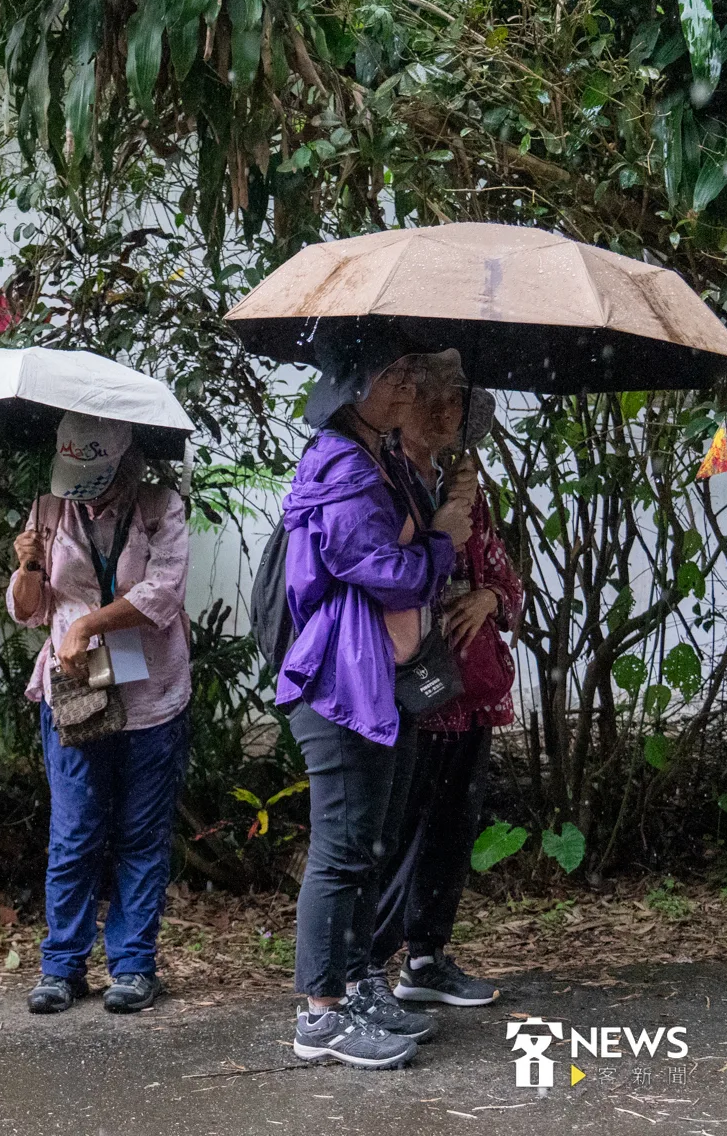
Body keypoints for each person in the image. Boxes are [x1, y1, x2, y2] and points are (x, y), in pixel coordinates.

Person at [277, 343, 472, 1070]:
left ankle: (358, 984)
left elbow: (397, 549)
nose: (406, 385)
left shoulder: (376, 458)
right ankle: (321, 1014)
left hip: (375, 686)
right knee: (341, 850)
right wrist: (446, 546)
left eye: (407, 372)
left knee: (369, 846)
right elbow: (381, 571)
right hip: (339, 686)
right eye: (392, 374)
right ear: (352, 385)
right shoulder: (340, 464)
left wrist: (441, 508)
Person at [8, 411, 193, 1015]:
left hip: (151, 692)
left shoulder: (161, 507)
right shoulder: (48, 509)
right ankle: (62, 967)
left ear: (125, 465)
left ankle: (134, 966)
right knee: (75, 833)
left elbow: (162, 594)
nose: (86, 490)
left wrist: (89, 623)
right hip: (76, 692)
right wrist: (29, 565)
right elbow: (31, 613)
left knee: (141, 832)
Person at [367, 383, 520, 1009]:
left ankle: (426, 957)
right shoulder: (390, 480)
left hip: (469, 684)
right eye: (433, 400)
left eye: (453, 405)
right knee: (397, 829)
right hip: (411, 682)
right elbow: (382, 573)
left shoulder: (469, 490)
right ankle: (365, 969)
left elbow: (506, 579)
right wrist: (439, 529)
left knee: (454, 825)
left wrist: (487, 597)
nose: (441, 413)